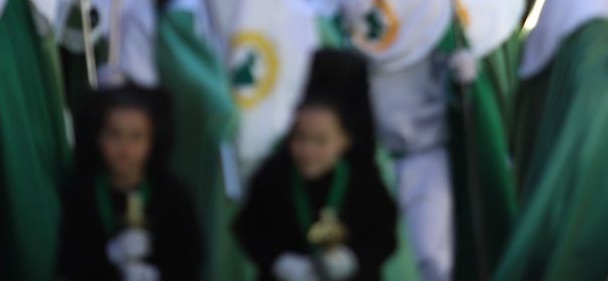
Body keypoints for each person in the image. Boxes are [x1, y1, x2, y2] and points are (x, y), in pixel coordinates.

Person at [232, 92, 400, 281]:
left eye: (320, 140)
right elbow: (247, 229)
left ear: (344, 140)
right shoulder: (273, 176)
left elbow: (385, 237)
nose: (308, 150)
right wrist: (279, 262)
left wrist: (352, 259)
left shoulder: (364, 180)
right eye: (300, 138)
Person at [58, 86, 202, 281]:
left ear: (152, 141)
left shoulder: (174, 196)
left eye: (136, 137)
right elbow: (69, 264)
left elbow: (190, 264)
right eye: (114, 135)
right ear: (98, 137)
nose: (124, 148)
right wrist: (108, 257)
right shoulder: (79, 194)